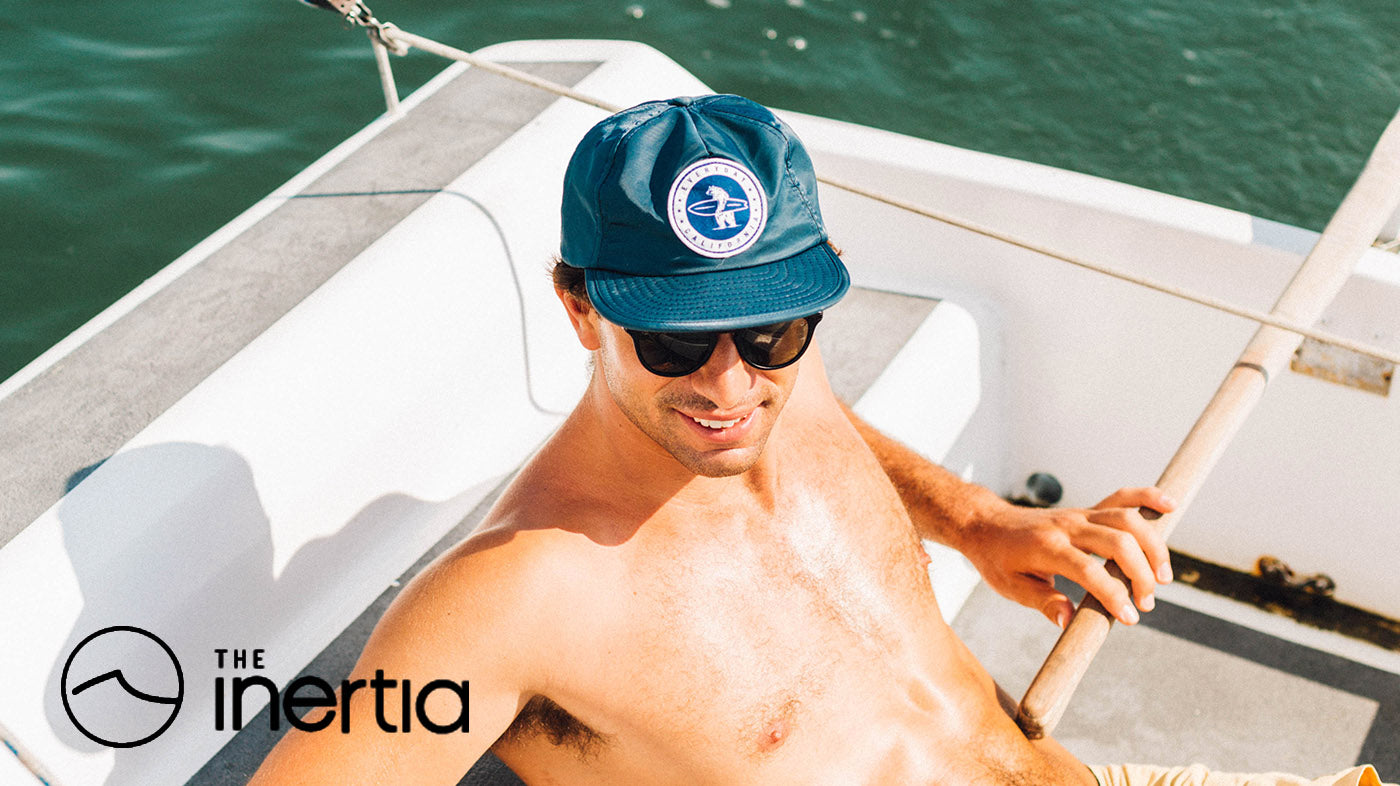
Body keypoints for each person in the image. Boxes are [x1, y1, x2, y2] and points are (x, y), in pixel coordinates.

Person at [250, 95, 1391, 786]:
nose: (732, 384)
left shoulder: (773, 385)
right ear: (579, 306)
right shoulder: (514, 596)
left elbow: (824, 417)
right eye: (674, 344)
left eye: (775, 328)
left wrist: (977, 521)